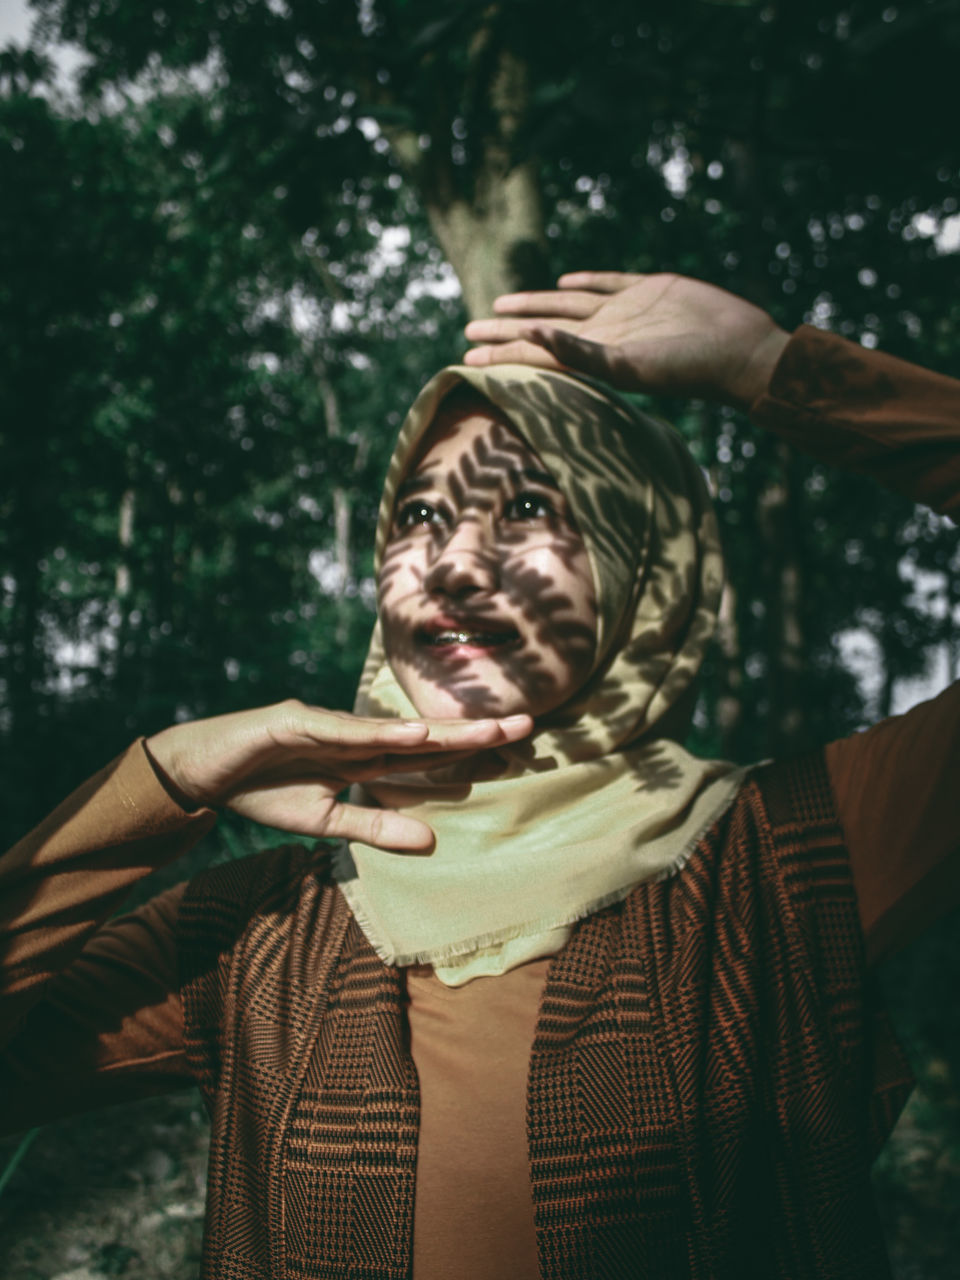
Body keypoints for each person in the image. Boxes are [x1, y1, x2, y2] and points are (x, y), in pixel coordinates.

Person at [1, 269, 957, 1280]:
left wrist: (771, 367)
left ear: (641, 563)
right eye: (417, 516)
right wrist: (159, 778)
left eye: (532, 505)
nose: (453, 562)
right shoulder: (259, 934)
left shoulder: (785, 857)